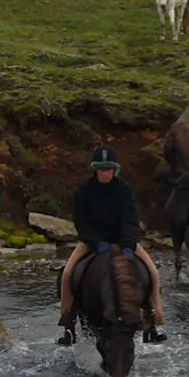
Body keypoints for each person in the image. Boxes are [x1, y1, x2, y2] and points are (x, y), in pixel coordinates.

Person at [57, 145, 167, 345]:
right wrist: (95, 241)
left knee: (153, 274)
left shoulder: (124, 189)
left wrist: (128, 244)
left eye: (108, 169)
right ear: (96, 169)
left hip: (121, 240)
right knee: (66, 275)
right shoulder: (84, 190)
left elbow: (130, 218)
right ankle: (68, 324)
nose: (105, 173)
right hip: (93, 242)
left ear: (114, 170)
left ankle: (154, 323)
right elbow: (81, 221)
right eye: (101, 168)